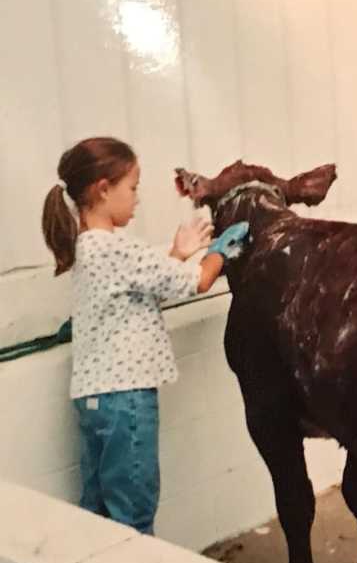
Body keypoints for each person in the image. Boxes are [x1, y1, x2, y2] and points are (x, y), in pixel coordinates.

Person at [41, 136, 249, 535]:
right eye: (132, 188)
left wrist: (178, 250)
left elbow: (144, 286)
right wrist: (222, 249)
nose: (137, 199)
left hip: (95, 401)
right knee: (133, 520)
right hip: (127, 401)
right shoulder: (115, 248)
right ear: (103, 189)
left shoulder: (87, 249)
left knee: (101, 514)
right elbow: (196, 282)